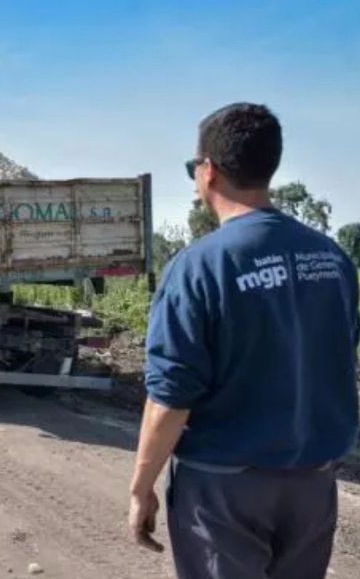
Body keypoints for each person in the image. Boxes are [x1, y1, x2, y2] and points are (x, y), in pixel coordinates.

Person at [128, 102, 359, 579]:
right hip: (312, 483)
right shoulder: (333, 259)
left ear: (208, 171)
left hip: (224, 488)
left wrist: (141, 487)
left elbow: (171, 395)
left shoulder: (198, 267)